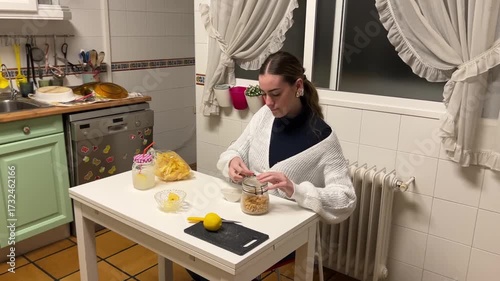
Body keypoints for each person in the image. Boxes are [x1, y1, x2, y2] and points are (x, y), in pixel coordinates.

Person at [188, 51, 356, 281]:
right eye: (264, 94)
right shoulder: (264, 116)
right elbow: (234, 150)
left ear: (298, 86)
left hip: (285, 235)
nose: (268, 102)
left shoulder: (323, 140)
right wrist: (232, 162)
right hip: (246, 217)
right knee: (194, 255)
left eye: (275, 94)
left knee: (217, 267)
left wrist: (295, 189)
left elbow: (345, 199)